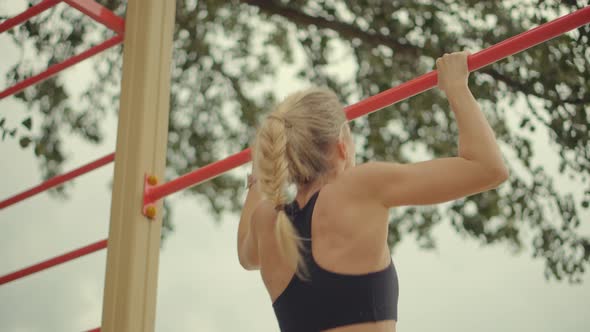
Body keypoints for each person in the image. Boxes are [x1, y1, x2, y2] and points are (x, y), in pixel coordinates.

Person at [237, 51, 509, 332]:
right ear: (341, 144)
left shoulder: (265, 220)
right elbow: (488, 168)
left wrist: (257, 180)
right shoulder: (357, 187)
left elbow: (246, 256)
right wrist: (456, 86)